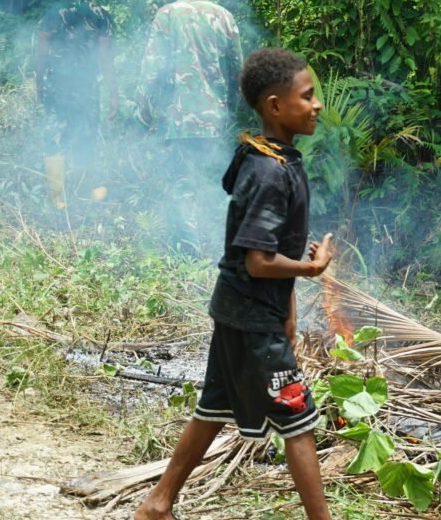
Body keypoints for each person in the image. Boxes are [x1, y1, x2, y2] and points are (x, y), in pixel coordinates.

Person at [134, 48, 334, 520]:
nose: (317, 104)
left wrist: (287, 314)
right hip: (249, 314)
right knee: (297, 419)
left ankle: (157, 504)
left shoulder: (272, 158)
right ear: (274, 105)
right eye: (307, 97)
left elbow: (266, 254)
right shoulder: (268, 171)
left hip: (241, 310)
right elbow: (260, 261)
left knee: (213, 407)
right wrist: (312, 269)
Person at [138, 0, 244, 253]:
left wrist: (144, 107)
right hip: (215, 117)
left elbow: (152, 68)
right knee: (214, 183)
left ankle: (191, 252)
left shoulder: (168, 15)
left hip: (180, 117)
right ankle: (221, 247)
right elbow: (238, 69)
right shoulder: (224, 16)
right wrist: (230, 109)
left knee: (183, 184)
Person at [35, 0, 116, 208]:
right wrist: (114, 94)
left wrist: (38, 80)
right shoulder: (102, 15)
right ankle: (85, 197)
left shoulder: (54, 11)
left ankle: (58, 201)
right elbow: (105, 58)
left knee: (55, 136)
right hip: (87, 86)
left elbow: (41, 47)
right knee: (86, 136)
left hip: (57, 85)